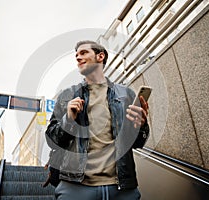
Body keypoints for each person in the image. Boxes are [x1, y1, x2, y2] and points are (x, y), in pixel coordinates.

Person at [45, 40, 149, 200]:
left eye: (84, 53)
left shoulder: (125, 94)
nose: (78, 58)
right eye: (77, 55)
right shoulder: (67, 95)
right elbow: (52, 140)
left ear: (100, 56)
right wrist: (69, 119)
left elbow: (137, 143)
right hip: (75, 188)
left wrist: (141, 126)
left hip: (122, 189)